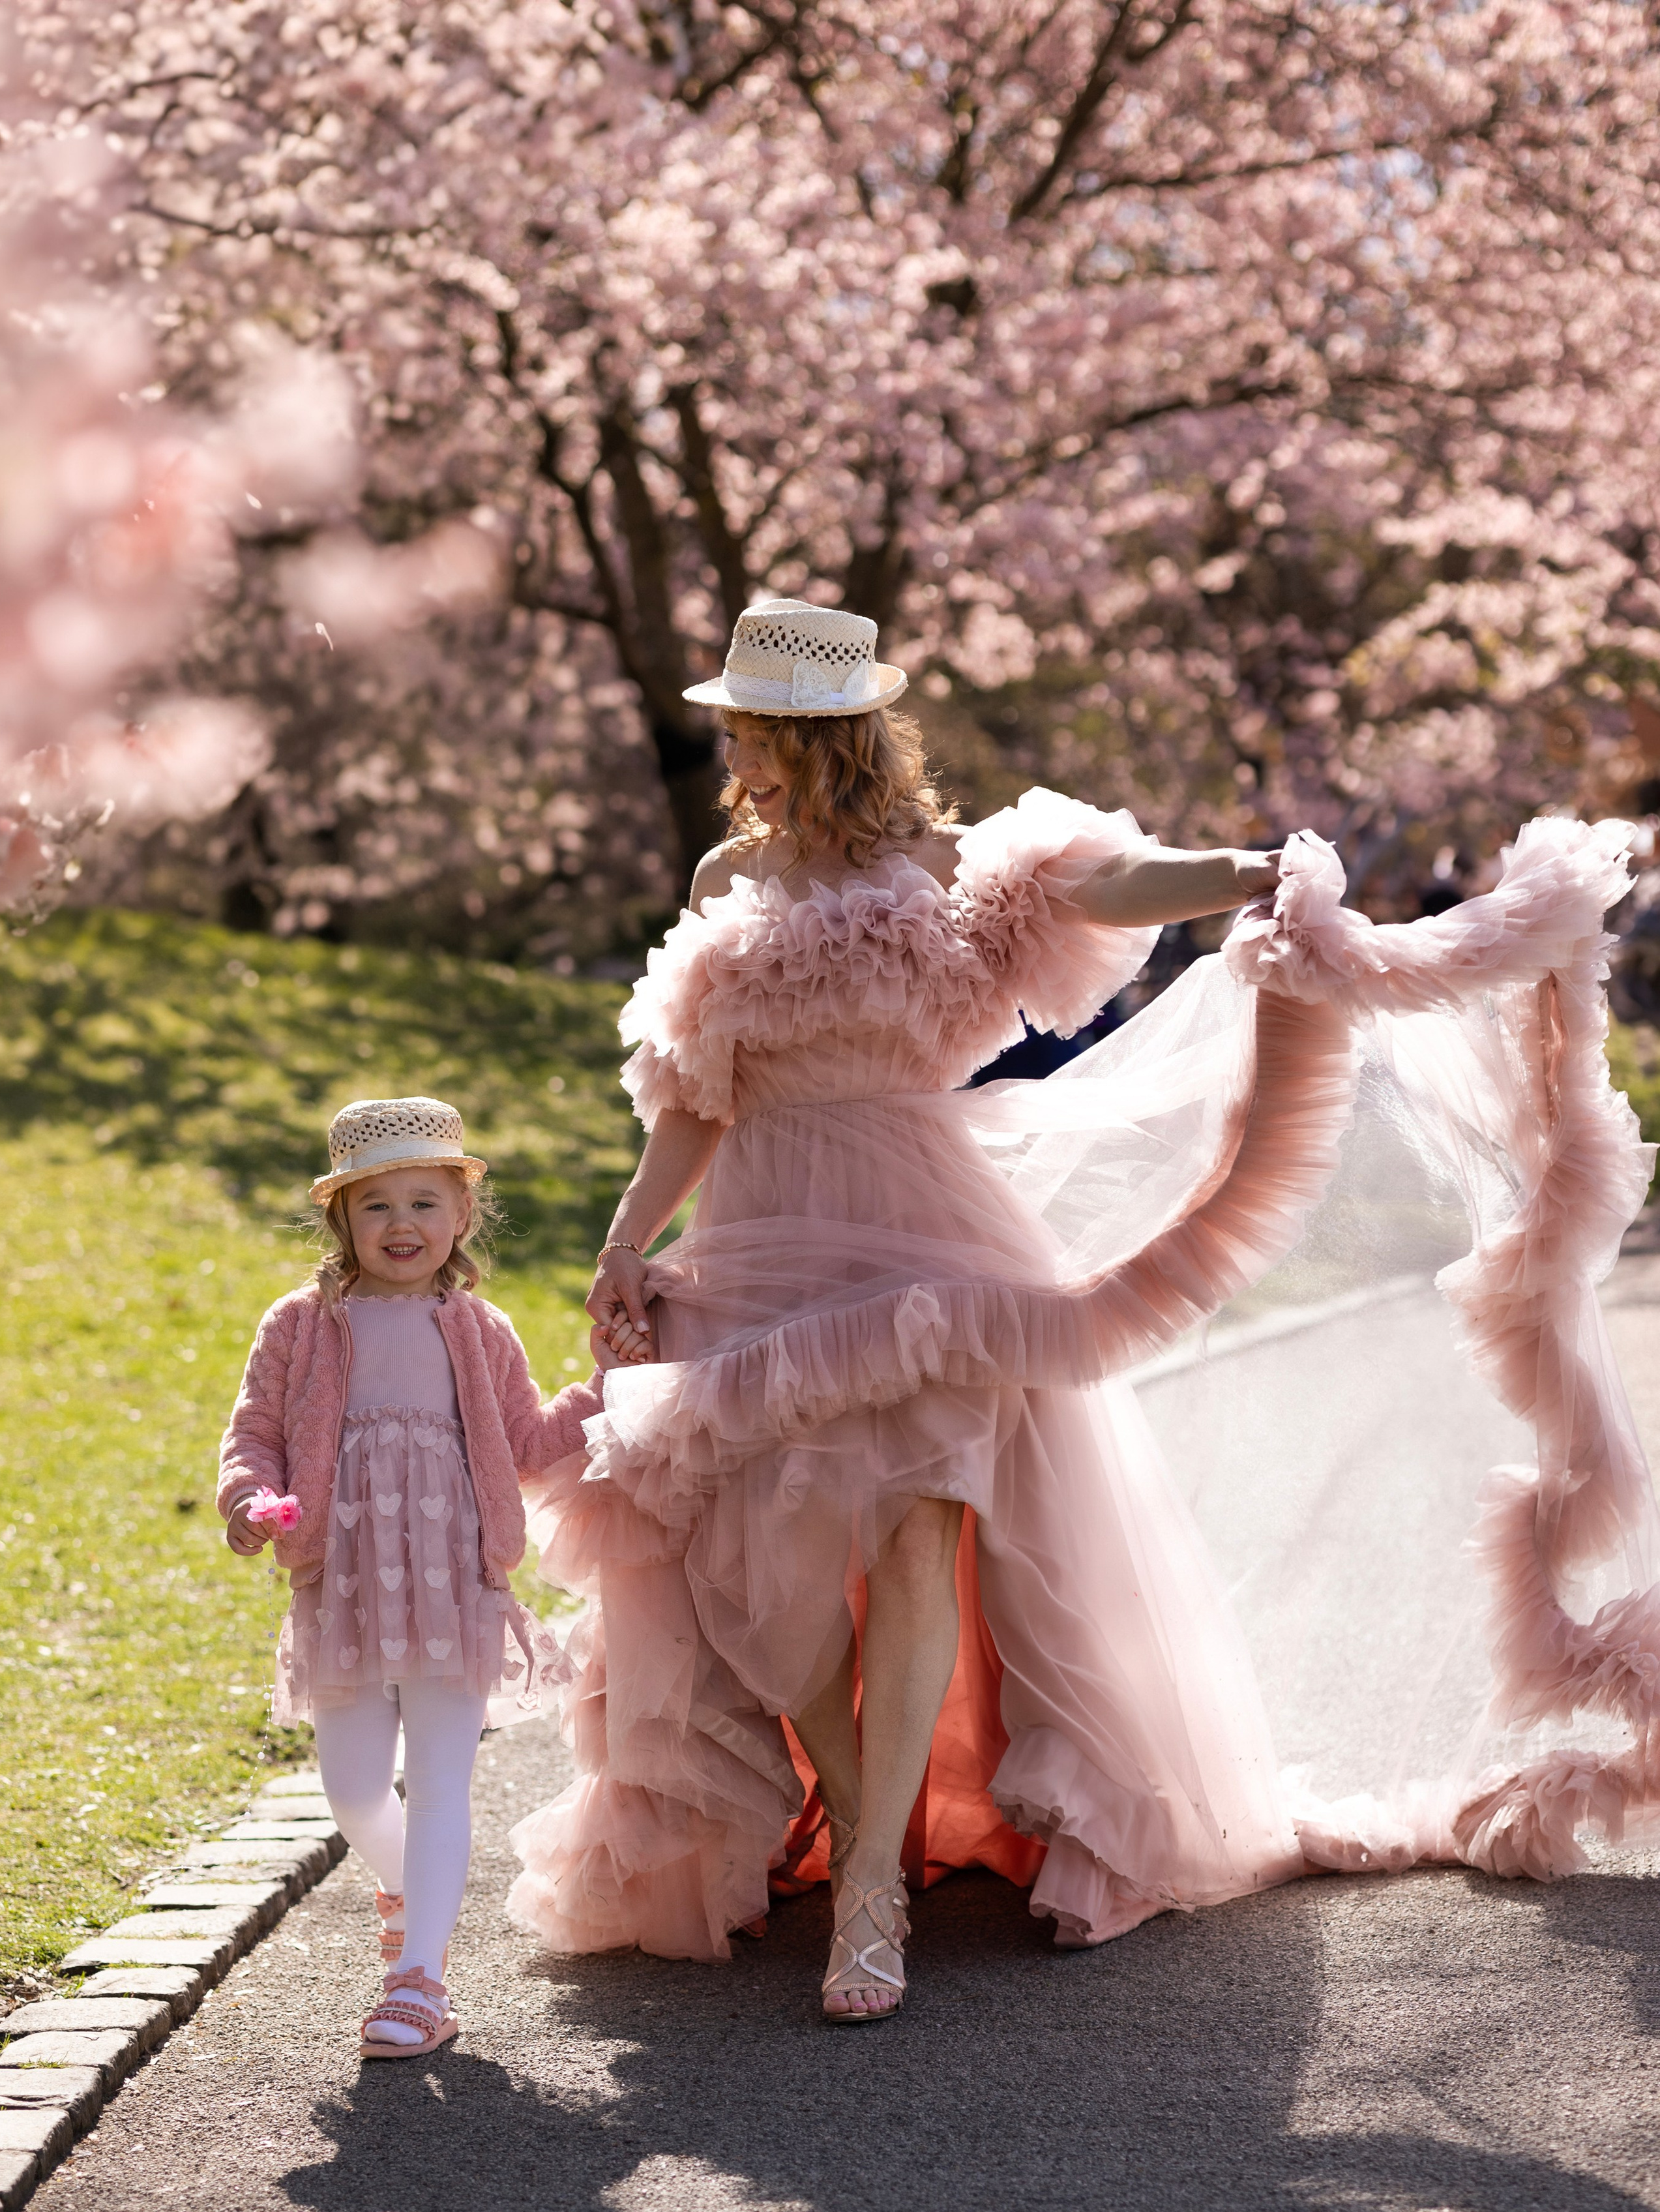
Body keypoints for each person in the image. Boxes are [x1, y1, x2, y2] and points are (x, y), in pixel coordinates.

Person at [509, 599, 1659, 2024]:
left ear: (821, 732)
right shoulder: (720, 878)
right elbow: (692, 1095)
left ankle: (871, 1895)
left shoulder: (946, 867)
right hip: (758, 1240)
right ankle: (873, 1811)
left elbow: (1103, 886)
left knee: (924, 1530)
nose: (732, 747)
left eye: (749, 726)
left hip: (924, 1238)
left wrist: (1242, 872)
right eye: (730, 724)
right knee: (758, 1573)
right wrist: (628, 1239)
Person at [219, 1096, 600, 2057]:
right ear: (341, 1218)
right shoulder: (302, 1324)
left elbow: (527, 1440)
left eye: (425, 1202)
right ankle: (406, 1888)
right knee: (352, 1790)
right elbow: (256, 1428)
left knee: (439, 1780)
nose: (402, 1224)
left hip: (451, 1580)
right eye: (376, 1204)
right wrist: (249, 1495)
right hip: (343, 1581)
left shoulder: (478, 1327)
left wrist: (604, 1385)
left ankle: (419, 1977)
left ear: (462, 1214)